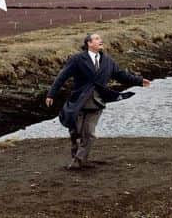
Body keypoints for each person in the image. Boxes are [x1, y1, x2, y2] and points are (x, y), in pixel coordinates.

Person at [45, 33, 151, 170]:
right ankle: (77, 153)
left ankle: (78, 161)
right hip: (79, 101)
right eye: (96, 39)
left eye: (100, 39)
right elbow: (62, 76)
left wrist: (139, 81)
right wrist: (51, 94)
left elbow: (120, 75)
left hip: (97, 101)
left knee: (89, 133)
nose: (100, 41)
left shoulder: (108, 61)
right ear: (89, 43)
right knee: (75, 131)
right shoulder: (77, 59)